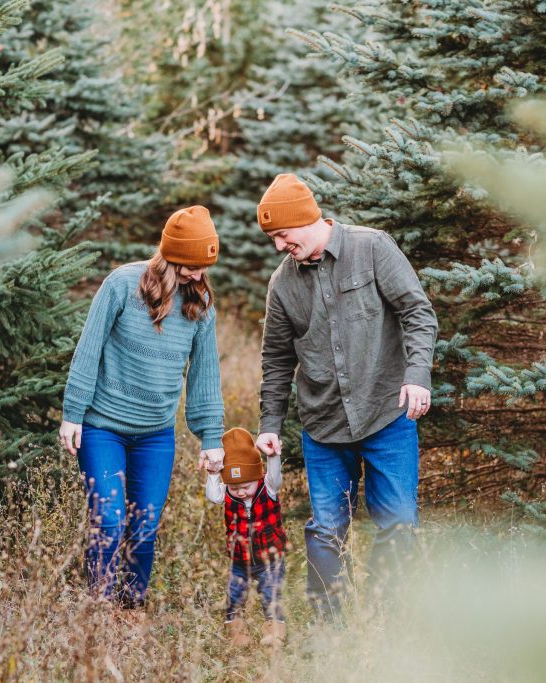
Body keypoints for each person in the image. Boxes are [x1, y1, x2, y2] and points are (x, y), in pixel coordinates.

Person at [254, 174, 438, 620]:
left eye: (283, 234)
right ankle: (328, 627)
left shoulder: (372, 247)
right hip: (324, 425)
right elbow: (276, 360)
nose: (279, 246)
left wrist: (417, 375)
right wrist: (270, 425)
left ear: (307, 218)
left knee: (398, 521)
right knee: (326, 530)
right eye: (272, 238)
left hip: (386, 414)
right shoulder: (282, 284)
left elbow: (417, 312)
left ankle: (388, 619)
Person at [59, 205, 225, 613]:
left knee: (145, 528)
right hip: (103, 428)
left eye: (204, 268)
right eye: (192, 267)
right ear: (171, 256)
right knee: (110, 520)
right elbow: (89, 348)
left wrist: (211, 437)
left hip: (156, 435)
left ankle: (130, 612)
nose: (198, 276)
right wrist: (72, 413)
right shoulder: (122, 285)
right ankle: (98, 613)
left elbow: (204, 374)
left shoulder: (200, 304)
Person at [204, 427, 287, 649]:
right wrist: (213, 474)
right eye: (234, 487)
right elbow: (213, 496)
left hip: (269, 559)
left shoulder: (268, 487)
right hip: (239, 560)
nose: (240, 492)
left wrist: (273, 456)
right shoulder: (227, 493)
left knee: (270, 595)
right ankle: (236, 634)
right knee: (234, 595)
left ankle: (274, 634)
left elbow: (275, 477)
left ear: (257, 476)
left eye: (245, 487)